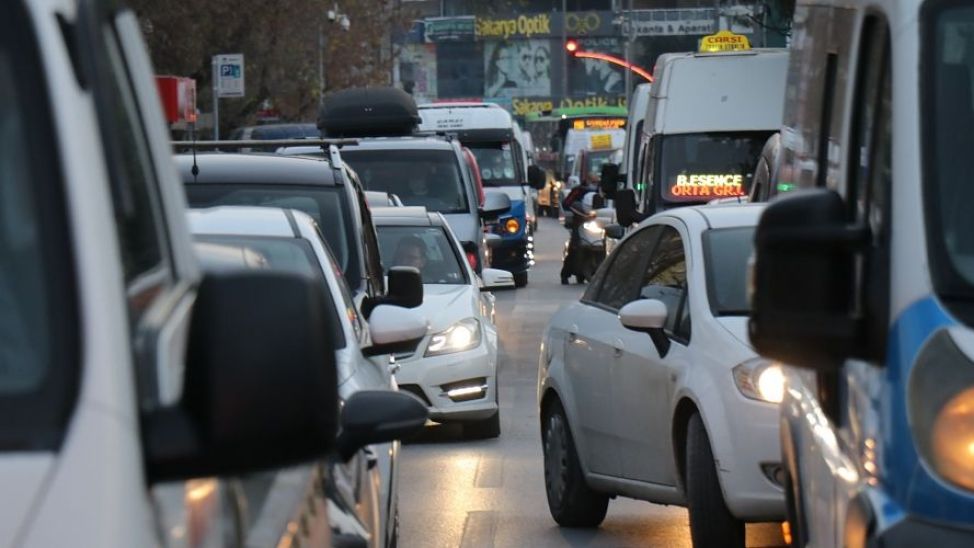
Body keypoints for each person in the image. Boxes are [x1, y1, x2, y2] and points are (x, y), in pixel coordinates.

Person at [560, 176, 598, 284]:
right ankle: (565, 274)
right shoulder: (579, 190)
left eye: (596, 181)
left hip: (597, 223)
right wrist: (579, 212)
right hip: (580, 223)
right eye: (593, 180)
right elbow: (566, 204)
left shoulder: (601, 191)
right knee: (575, 248)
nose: (594, 182)